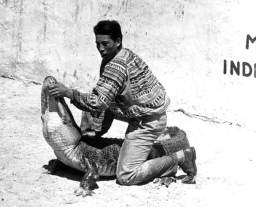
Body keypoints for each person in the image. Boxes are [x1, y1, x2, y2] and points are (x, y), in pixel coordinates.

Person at [46, 20, 197, 186]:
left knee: (126, 176)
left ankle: (181, 157)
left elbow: (97, 103)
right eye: (97, 44)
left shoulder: (116, 66)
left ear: (118, 41)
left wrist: (68, 93)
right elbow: (105, 97)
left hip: (148, 121)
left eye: (105, 44)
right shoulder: (119, 55)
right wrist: (97, 128)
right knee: (92, 98)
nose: (101, 49)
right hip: (136, 111)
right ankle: (93, 135)